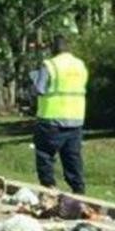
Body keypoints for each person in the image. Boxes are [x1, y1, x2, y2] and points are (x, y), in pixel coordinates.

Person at [30, 35, 88, 194]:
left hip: (51, 119)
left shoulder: (49, 65)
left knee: (45, 156)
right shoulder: (80, 65)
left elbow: (39, 89)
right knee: (72, 158)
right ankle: (79, 191)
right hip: (75, 119)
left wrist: (34, 76)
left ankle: (49, 190)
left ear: (52, 49)